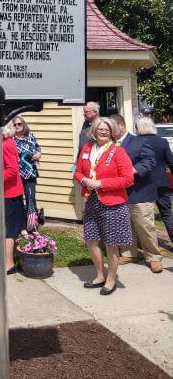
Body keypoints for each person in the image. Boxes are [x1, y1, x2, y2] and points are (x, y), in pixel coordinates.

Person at [75, 117, 134, 295]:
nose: (103, 131)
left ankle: (111, 279)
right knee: (91, 239)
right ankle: (100, 275)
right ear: (93, 130)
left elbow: (128, 179)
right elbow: (77, 170)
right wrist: (83, 179)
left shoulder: (118, 152)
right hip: (91, 199)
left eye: (107, 129)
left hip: (113, 203)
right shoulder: (86, 149)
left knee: (111, 243)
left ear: (113, 132)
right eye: (100, 128)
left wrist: (101, 183)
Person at [111, 115, 162, 272]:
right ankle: (129, 253)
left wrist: (133, 170)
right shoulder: (109, 145)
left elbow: (149, 161)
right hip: (118, 193)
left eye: (112, 127)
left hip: (140, 192)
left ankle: (153, 257)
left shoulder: (139, 141)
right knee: (124, 225)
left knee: (144, 226)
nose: (109, 131)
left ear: (121, 125)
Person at [135, 117, 173, 245]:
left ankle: (149, 246)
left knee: (146, 216)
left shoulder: (135, 142)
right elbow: (171, 162)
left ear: (139, 128)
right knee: (167, 214)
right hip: (161, 182)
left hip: (142, 184)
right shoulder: (162, 142)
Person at [12, 116, 42, 232]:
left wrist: (39, 153)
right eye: (14, 125)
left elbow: (38, 148)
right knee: (17, 201)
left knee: (31, 198)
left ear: (23, 124)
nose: (17, 126)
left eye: (19, 124)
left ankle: (32, 226)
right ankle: (21, 227)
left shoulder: (31, 136)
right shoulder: (11, 139)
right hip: (16, 176)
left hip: (30, 174)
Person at [2, 121, 25, 275]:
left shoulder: (6, 144)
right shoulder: (5, 142)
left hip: (10, 192)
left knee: (11, 229)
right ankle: (21, 256)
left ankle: (8, 264)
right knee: (17, 226)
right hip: (8, 191)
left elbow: (11, 170)